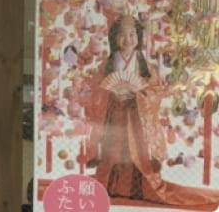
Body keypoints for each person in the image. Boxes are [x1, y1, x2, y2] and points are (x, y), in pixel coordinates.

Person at [84, 14, 219, 209]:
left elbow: (155, 92)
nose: (128, 39)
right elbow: (97, 91)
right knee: (113, 152)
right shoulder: (107, 66)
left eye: (132, 34)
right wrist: (111, 94)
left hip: (138, 119)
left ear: (138, 37)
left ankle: (139, 189)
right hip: (113, 117)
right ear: (114, 38)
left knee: (137, 154)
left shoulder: (146, 67)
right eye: (122, 35)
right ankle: (111, 187)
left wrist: (138, 93)